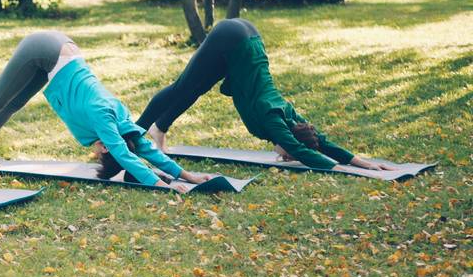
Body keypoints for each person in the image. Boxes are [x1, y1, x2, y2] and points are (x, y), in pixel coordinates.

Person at [0, 31, 208, 192]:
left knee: (15, 103)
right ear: (104, 148)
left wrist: (186, 176)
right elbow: (124, 155)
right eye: (99, 153)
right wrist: (162, 185)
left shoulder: (123, 121)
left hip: (62, 56)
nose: (93, 151)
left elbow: (145, 148)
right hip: (44, 49)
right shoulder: (104, 119)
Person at [136, 19, 389, 171]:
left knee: (197, 88)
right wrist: (349, 170)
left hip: (248, 40)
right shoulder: (273, 120)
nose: (282, 155)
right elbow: (303, 151)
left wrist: (363, 162)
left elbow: (321, 142)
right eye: (286, 154)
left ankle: (159, 128)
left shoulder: (289, 113)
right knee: (181, 87)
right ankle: (133, 134)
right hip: (232, 38)